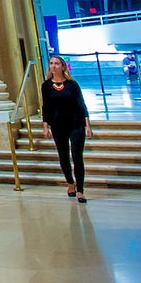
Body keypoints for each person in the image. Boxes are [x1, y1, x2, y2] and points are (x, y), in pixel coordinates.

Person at [41, 54, 93, 203]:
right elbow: (46, 107)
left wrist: (87, 124)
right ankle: (70, 183)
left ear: (63, 66)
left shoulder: (72, 85)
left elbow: (81, 104)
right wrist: (46, 126)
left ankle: (80, 190)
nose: (53, 66)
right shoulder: (46, 86)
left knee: (77, 156)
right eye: (51, 63)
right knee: (63, 156)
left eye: (56, 63)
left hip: (76, 123)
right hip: (58, 124)